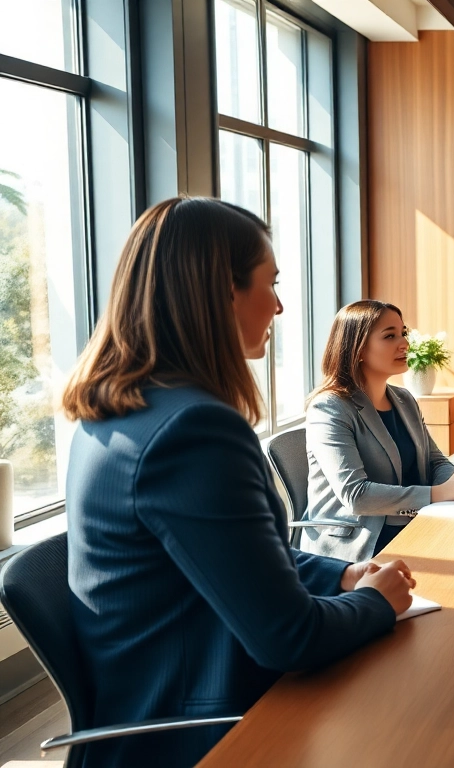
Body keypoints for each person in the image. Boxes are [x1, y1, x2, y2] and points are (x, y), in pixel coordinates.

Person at [61, 197, 414, 767]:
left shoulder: (118, 411)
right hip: (204, 733)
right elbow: (289, 638)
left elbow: (231, 555)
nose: (278, 306)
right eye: (269, 284)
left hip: (164, 701)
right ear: (222, 293)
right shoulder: (194, 430)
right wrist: (375, 603)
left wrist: (343, 573)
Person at [301, 300, 454, 561]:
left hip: (412, 524)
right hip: (359, 543)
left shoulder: (404, 399)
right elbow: (356, 495)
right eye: (390, 336)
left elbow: (434, 461)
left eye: (403, 333)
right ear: (358, 348)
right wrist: (438, 493)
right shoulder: (330, 408)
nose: (404, 344)